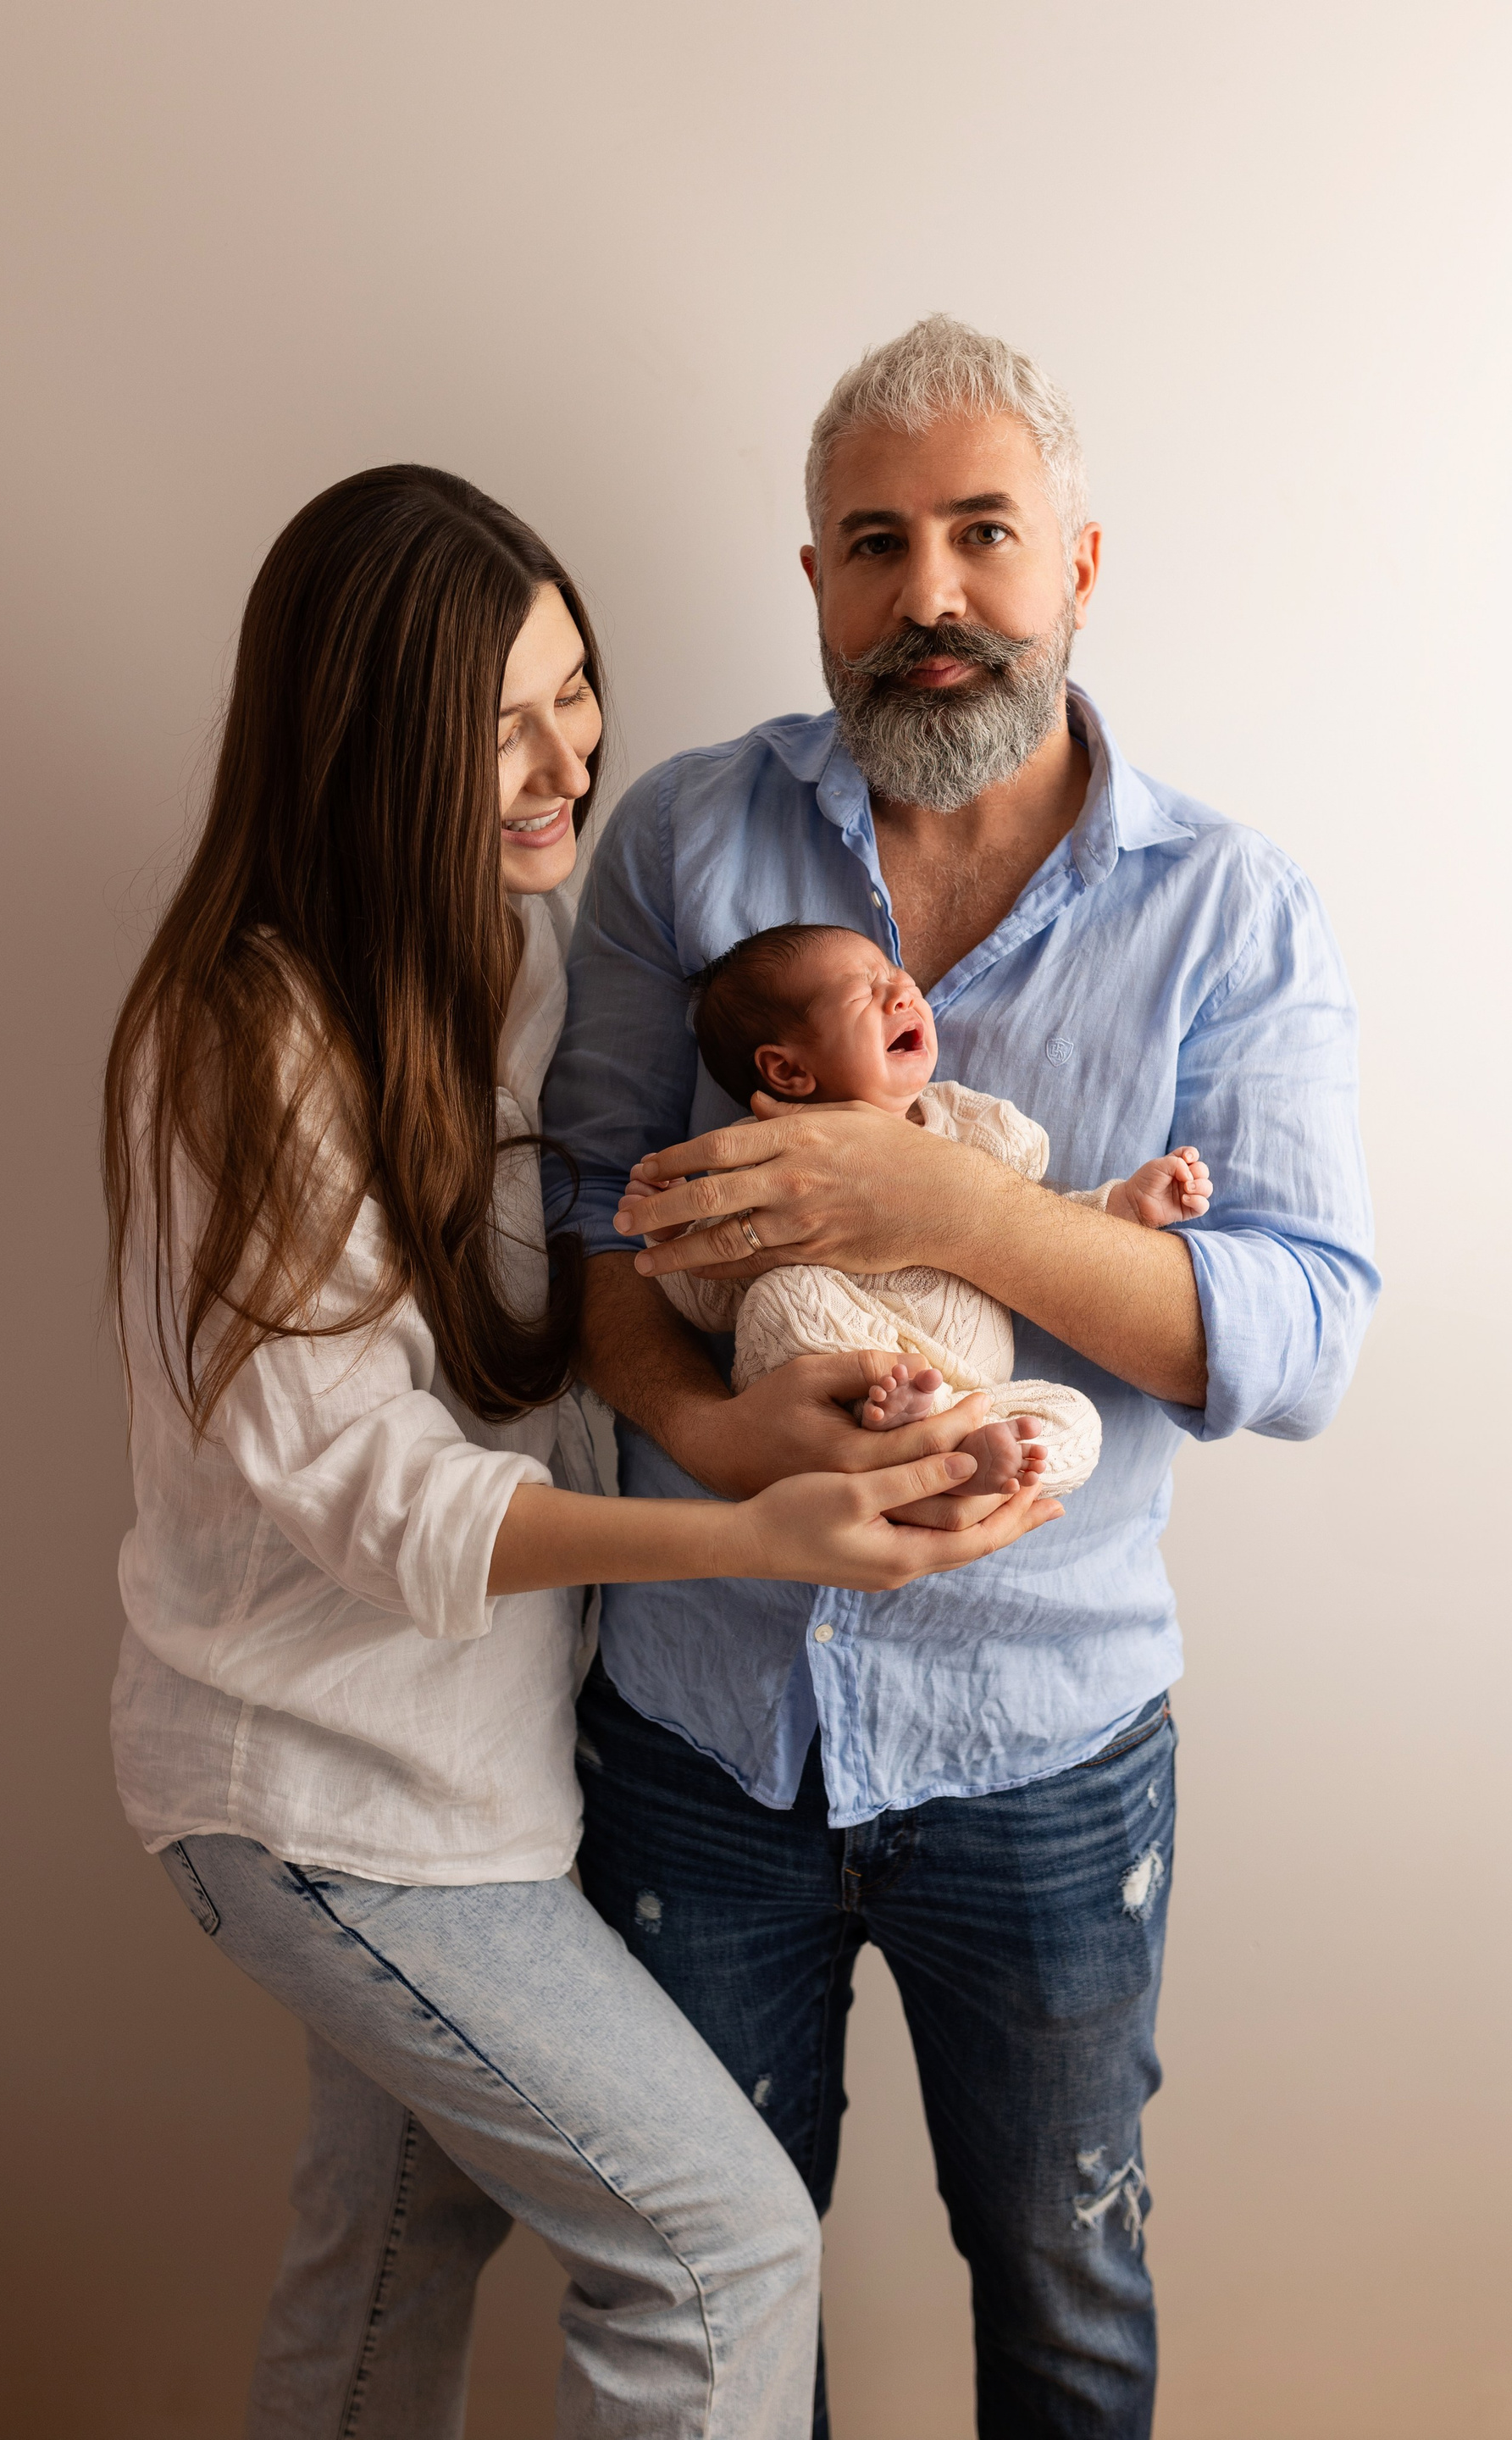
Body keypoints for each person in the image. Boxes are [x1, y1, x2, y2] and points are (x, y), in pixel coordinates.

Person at [102, 463, 1058, 2440]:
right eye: (501, 728)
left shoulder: (515, 957)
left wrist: (763, 1388)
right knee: (721, 2254)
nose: (568, 764)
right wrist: (751, 1529)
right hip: (321, 1784)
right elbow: (371, 1491)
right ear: (367, 745)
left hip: (469, 1771)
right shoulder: (246, 1044)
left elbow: (576, 1318)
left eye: (574, 692)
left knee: (385, 2258)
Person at [542, 319, 1379, 2439]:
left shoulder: (1231, 911)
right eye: (873, 544)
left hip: (1050, 1748)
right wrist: (718, 1433)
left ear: (1077, 562)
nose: (930, 593)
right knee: (710, 2304)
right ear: (813, 580)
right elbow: (578, 1230)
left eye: (983, 533)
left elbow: (1298, 1338)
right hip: (700, 1741)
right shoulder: (681, 840)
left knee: (1065, 2289)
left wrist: (940, 1210)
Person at [626, 918, 1211, 1494]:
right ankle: (892, 1418)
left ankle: (960, 1447)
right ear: (788, 1069)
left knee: (1075, 1420)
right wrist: (673, 1233)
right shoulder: (762, 1162)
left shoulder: (967, 1124)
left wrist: (1121, 1205)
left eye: (897, 976)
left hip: (971, 1397)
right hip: (833, 1394)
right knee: (785, 1296)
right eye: (864, 992)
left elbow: (1037, 1215)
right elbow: (714, 1303)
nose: (902, 992)